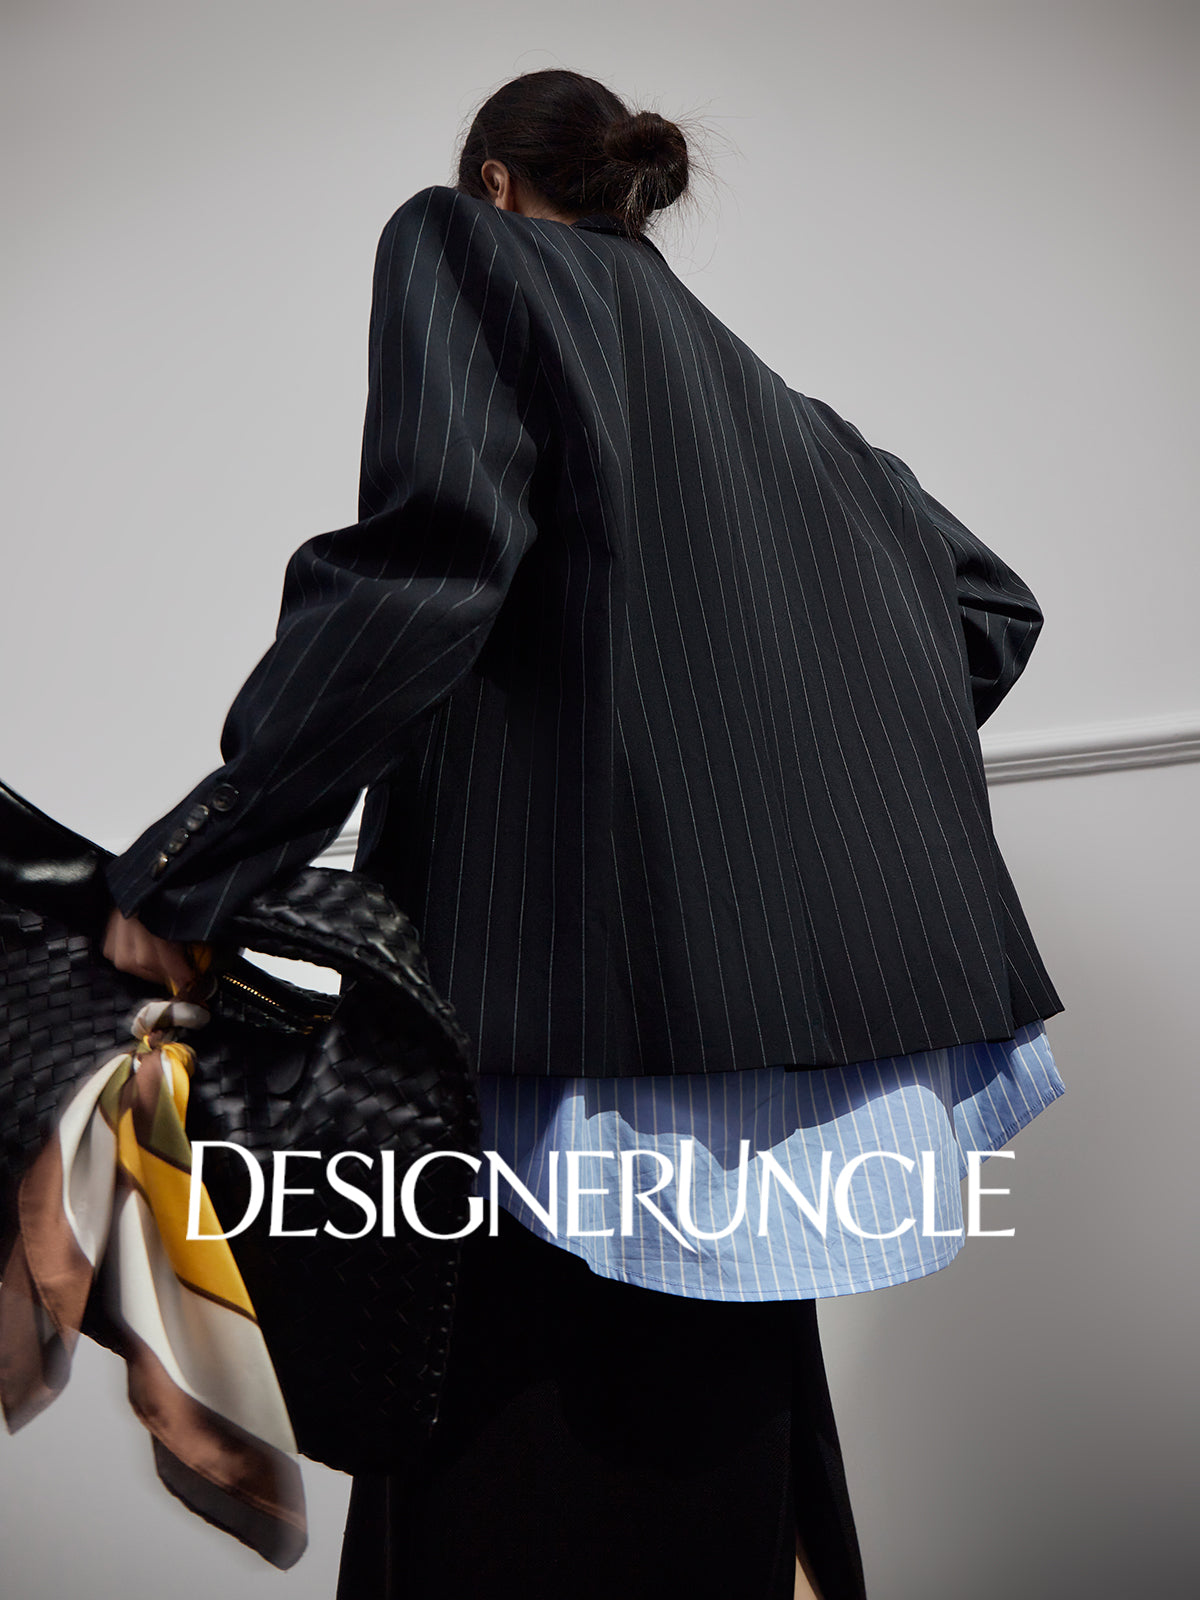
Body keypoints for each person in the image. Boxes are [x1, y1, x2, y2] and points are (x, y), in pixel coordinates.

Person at [100, 68, 1065, 1600]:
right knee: (715, 1451)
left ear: (493, 183)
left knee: (521, 1475)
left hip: (559, 1033)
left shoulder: (466, 251)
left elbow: (432, 561)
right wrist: (780, 779)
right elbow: (989, 611)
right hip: (770, 1060)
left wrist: (198, 866)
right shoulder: (793, 421)